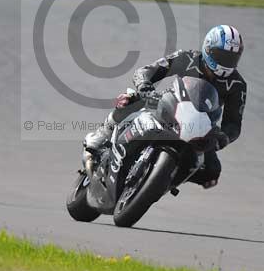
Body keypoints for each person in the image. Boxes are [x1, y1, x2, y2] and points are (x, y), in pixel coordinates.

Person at [83, 25, 247, 189]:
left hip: (202, 127)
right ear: (208, 49)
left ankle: (166, 179)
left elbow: (233, 123)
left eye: (231, 58)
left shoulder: (237, 85)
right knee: (130, 99)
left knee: (212, 173)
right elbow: (146, 71)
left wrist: (223, 138)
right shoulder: (188, 58)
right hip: (171, 105)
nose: (225, 62)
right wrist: (144, 85)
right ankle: (101, 136)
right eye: (221, 56)